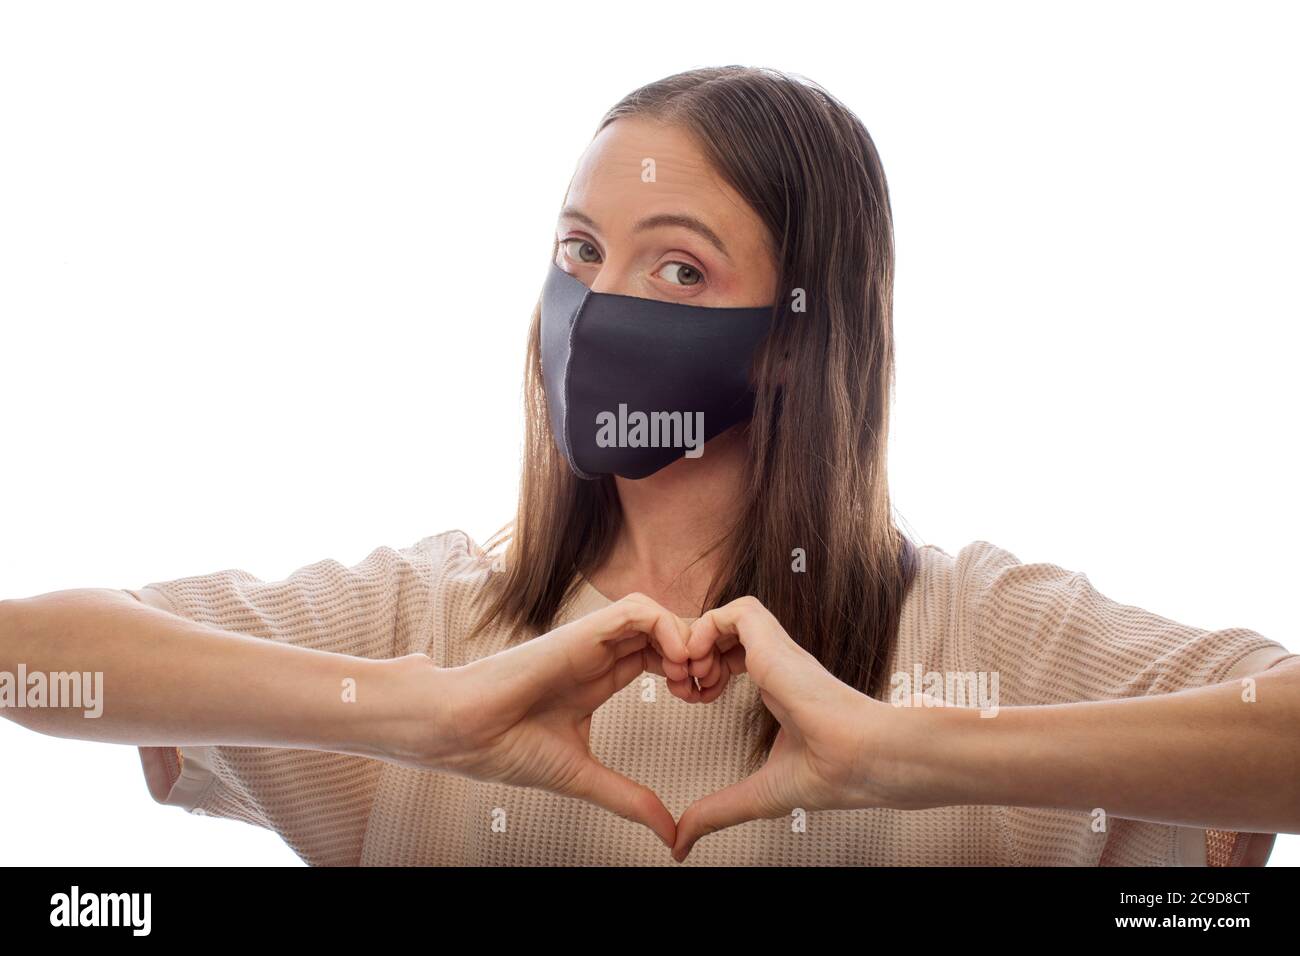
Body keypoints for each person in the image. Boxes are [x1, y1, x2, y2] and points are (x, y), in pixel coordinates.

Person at [3, 66, 1296, 866]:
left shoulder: (987, 631)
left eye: (676, 267)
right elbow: (26, 654)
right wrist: (417, 714)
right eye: (578, 255)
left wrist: (925, 751)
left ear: (801, 334)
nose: (596, 307)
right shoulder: (438, 616)